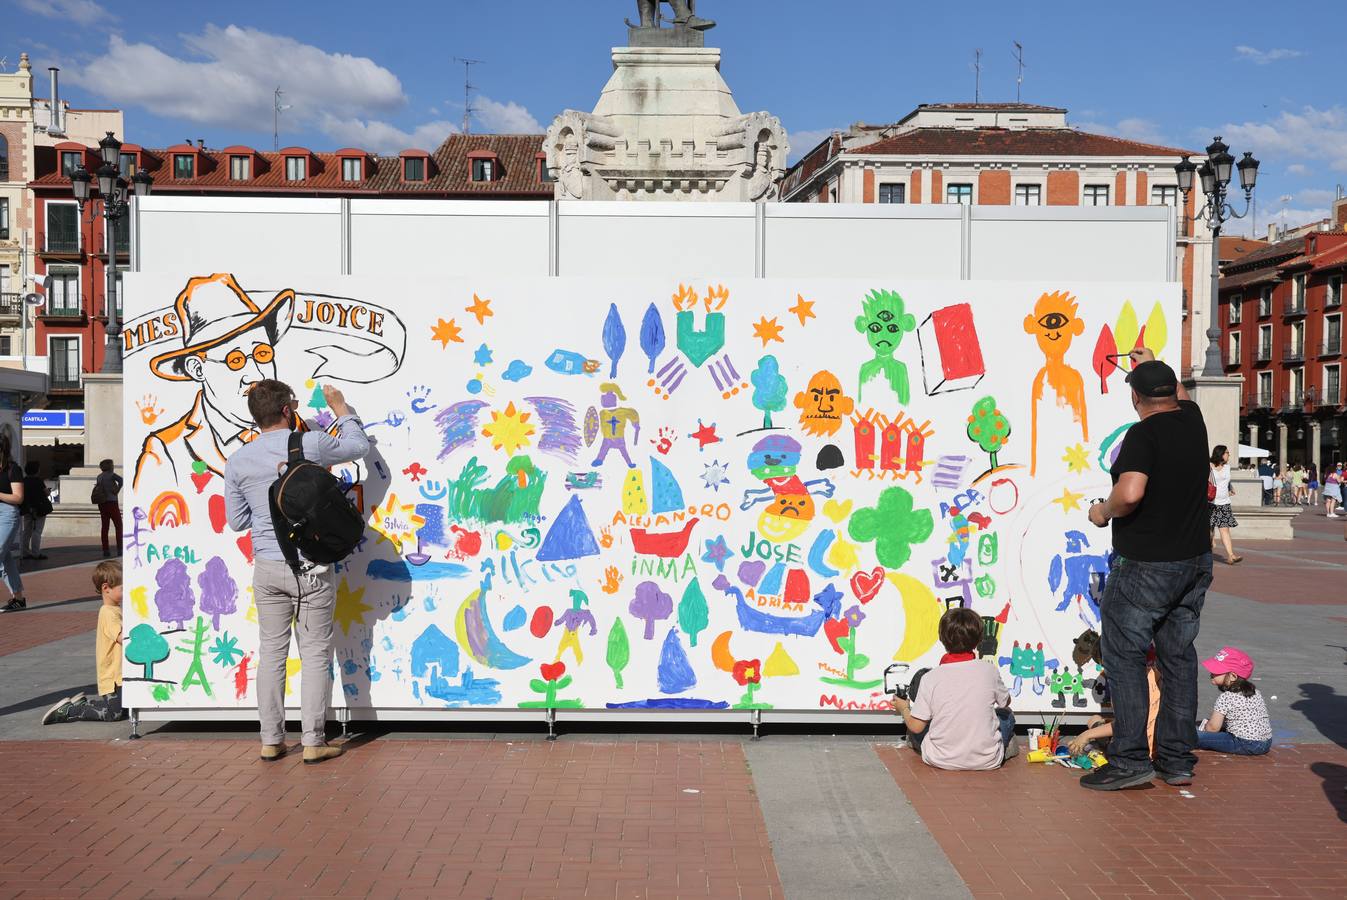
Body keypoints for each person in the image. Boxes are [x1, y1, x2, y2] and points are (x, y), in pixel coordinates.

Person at [1083, 348, 1210, 790]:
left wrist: (1102, 511)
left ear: (1136, 398)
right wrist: (1152, 363)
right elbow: (1175, 391)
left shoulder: (1143, 434)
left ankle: (1131, 759)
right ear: (1171, 392)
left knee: (1125, 657)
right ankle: (1175, 759)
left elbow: (1131, 492)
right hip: (1194, 561)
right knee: (1178, 657)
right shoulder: (1192, 421)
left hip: (1148, 565)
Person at [224, 379, 369, 764]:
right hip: (311, 567)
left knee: (271, 653)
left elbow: (236, 521)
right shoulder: (311, 444)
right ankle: (313, 741)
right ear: (288, 410)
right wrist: (341, 409)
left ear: (256, 417)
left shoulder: (238, 460)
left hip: (268, 569)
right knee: (316, 653)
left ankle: (271, 740)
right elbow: (359, 447)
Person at [891, 607, 1017, 770]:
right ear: (979, 640)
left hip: (940, 758)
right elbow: (1005, 702)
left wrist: (904, 708)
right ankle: (1006, 746)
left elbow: (916, 726)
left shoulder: (930, 677)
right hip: (987, 760)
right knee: (1006, 716)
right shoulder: (989, 670)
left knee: (920, 728)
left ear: (942, 638)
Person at [42, 560, 126, 723]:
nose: (126, 592)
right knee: (113, 715)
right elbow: (122, 638)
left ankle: (87, 704)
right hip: (112, 678)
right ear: (106, 588)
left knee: (126, 710)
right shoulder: (108, 613)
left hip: (119, 675)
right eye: (122, 588)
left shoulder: (115, 609)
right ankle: (70, 710)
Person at [1068, 649, 1162, 758]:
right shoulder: (1154, 673)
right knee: (1094, 719)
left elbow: (1125, 725)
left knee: (1094, 721)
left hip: (1139, 750)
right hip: (1161, 745)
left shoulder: (1124, 686)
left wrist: (1085, 735)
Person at [1197, 646, 1271, 756]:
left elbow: (1213, 728)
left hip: (1244, 743)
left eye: (1217, 670)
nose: (1211, 672)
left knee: (1194, 736)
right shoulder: (1255, 692)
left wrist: (1204, 728)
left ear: (1232, 676)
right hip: (1266, 742)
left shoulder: (1226, 697)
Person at [0, 432, 27, 612]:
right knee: (6, 558)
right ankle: (18, 599)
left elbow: (18, 497)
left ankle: (18, 598)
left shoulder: (12, 469)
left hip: (7, 514)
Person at [1208, 445, 1242, 565]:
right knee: (1209, 532)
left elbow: (1227, 481)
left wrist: (1230, 488)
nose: (1229, 455)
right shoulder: (1209, 467)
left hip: (1224, 503)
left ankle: (1231, 555)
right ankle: (1207, 552)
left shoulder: (1227, 467)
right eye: (1227, 452)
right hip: (1210, 503)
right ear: (1220, 454)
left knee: (1225, 530)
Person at [19, 460, 52, 561]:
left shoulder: (23, 481)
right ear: (37, 470)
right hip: (39, 509)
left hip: (28, 509)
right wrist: (48, 491)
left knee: (27, 531)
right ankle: (35, 553)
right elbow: (45, 493)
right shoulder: (38, 481)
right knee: (37, 531)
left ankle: (24, 552)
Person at [91, 459, 123, 558]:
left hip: (102, 503)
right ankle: (120, 549)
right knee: (118, 526)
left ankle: (106, 550)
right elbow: (121, 480)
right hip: (112, 502)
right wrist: (117, 489)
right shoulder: (112, 475)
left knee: (105, 527)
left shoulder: (99, 477)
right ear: (110, 466)